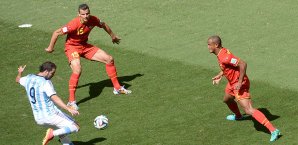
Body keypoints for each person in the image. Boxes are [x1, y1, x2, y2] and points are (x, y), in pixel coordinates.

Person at [45, 3, 131, 110]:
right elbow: (56, 32)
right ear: (79, 14)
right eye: (83, 14)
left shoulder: (93, 19)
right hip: (72, 47)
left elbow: (103, 24)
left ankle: (117, 88)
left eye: (87, 13)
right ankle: (71, 102)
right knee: (77, 69)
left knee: (109, 59)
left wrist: (112, 36)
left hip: (85, 46)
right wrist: (50, 47)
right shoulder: (73, 24)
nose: (86, 16)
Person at [207, 35, 280, 142]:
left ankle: (273, 130)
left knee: (249, 109)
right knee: (227, 99)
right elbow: (228, 67)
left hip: (239, 84)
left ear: (216, 45)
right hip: (232, 83)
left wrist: (240, 82)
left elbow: (243, 64)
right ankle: (238, 116)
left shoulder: (225, 57)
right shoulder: (221, 54)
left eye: (209, 44)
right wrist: (220, 75)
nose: (208, 47)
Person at [16, 61, 80, 145]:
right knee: (75, 126)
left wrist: (20, 72)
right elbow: (54, 98)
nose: (53, 75)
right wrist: (68, 108)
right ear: (46, 71)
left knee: (63, 134)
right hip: (51, 114)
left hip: (39, 118)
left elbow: (17, 80)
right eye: (52, 73)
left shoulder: (28, 78)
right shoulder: (45, 82)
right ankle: (52, 134)